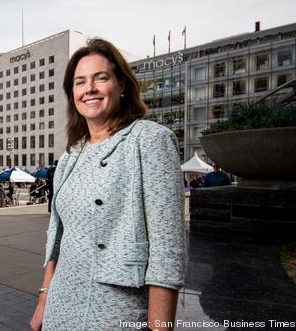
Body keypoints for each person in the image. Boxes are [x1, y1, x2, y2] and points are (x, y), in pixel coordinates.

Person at [30, 39, 186, 331]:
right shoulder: (70, 157)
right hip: (61, 305)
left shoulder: (149, 141)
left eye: (100, 78)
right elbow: (57, 240)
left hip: (116, 309)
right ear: (72, 93)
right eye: (79, 82)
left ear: (122, 85)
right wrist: (43, 301)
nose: (89, 88)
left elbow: (167, 249)